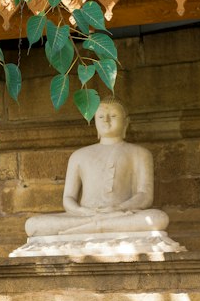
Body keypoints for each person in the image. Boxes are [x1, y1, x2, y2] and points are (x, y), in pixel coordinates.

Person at [23, 98, 170, 238]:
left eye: (113, 115)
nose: (106, 120)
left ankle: (87, 229)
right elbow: (68, 198)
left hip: (121, 215)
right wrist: (82, 211)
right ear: (94, 122)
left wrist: (118, 208)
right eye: (100, 117)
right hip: (84, 216)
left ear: (126, 122)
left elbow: (144, 195)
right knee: (33, 225)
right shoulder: (79, 155)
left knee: (157, 218)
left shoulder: (140, 153)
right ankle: (96, 226)